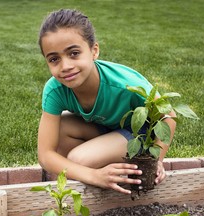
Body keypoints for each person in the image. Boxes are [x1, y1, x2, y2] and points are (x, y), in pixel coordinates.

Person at [37, 9, 176, 195]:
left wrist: (156, 160)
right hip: (106, 128)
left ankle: (126, 171)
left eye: (74, 53)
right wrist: (94, 175)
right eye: (54, 59)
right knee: (60, 128)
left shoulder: (124, 85)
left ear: (94, 51)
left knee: (78, 160)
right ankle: (103, 173)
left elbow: (169, 116)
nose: (66, 66)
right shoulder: (55, 90)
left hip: (139, 134)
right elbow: (45, 155)